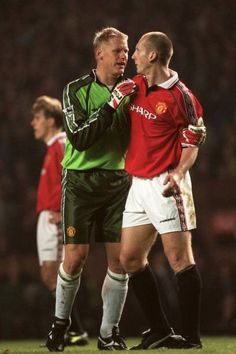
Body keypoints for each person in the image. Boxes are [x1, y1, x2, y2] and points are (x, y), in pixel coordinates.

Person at [45, 27, 139, 352]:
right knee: (75, 259)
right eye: (118, 50)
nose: (124, 56)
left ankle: (107, 333)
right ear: (99, 54)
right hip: (80, 183)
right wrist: (112, 103)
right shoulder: (75, 90)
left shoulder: (135, 91)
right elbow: (81, 140)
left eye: (126, 50)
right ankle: (60, 326)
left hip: (117, 182)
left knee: (121, 261)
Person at [120, 31, 206, 349]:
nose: (133, 56)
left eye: (138, 51)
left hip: (166, 183)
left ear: (153, 56)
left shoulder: (181, 97)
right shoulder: (136, 86)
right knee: (130, 259)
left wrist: (179, 173)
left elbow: (193, 141)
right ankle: (159, 329)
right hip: (138, 185)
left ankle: (191, 338)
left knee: (179, 259)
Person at [31, 96, 89, 348]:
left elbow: (76, 178)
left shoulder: (62, 144)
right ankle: (74, 330)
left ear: (51, 120)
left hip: (56, 217)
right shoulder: (52, 147)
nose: (33, 123)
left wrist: (63, 211)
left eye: (37, 118)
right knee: (50, 276)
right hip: (47, 216)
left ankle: (70, 330)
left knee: (55, 275)